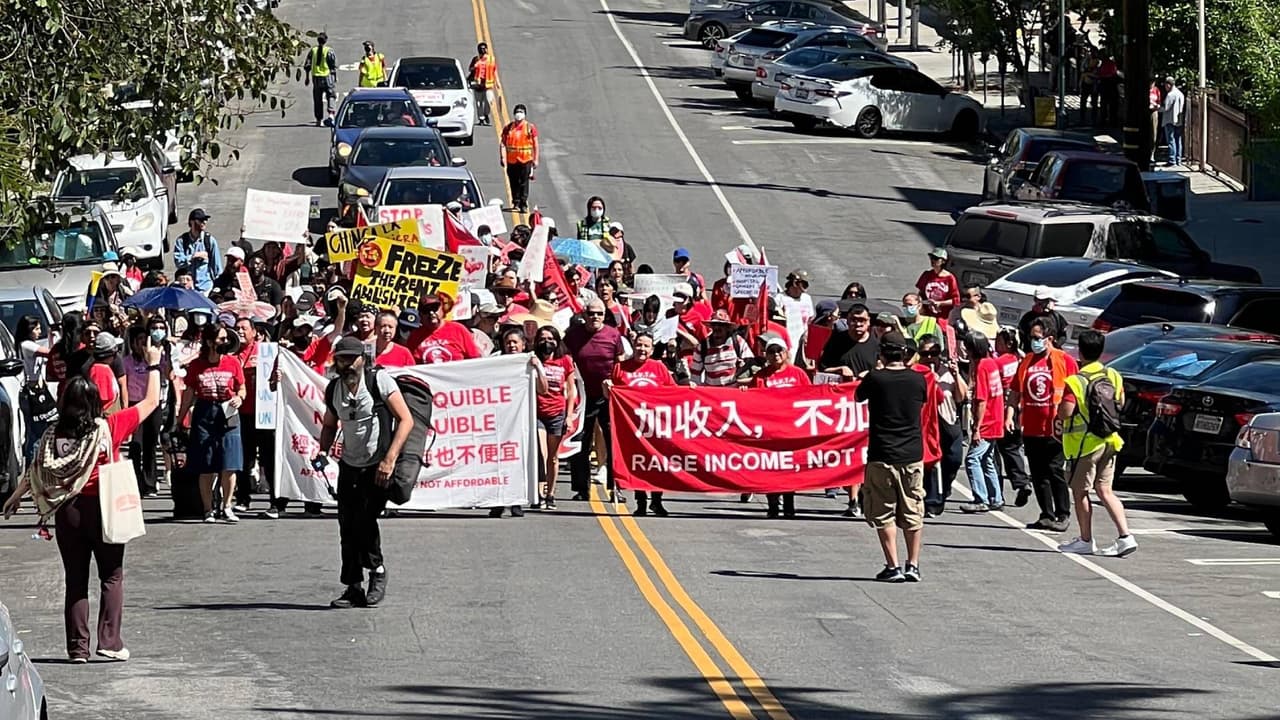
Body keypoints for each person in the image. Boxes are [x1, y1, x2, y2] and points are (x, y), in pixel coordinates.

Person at [3, 341, 164, 663]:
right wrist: (155, 364)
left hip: (67, 511)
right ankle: (110, 641)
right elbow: (151, 401)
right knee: (112, 575)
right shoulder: (108, 428)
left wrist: (16, 496)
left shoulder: (52, 434)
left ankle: (77, 648)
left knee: (75, 580)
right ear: (95, 402)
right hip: (104, 508)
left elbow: (36, 469)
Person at [317, 336, 415, 608]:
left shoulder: (378, 381)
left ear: (363, 359)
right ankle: (353, 586)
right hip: (350, 464)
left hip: (378, 464)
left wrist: (390, 459)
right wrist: (323, 451)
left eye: (352, 358)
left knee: (364, 520)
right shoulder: (334, 388)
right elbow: (329, 424)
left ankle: (378, 571)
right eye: (341, 358)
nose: (347, 364)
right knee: (347, 525)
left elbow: (406, 420)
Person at [1056, 330, 1137, 557]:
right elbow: (1119, 401)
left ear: (1080, 352)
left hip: (1085, 445)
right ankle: (1125, 536)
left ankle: (1085, 539)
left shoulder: (1076, 381)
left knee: (1080, 491)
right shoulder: (1113, 375)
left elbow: (1066, 412)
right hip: (1110, 440)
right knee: (1105, 490)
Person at [855, 332, 928, 583]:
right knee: (913, 509)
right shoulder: (918, 380)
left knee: (884, 511)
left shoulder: (875, 378)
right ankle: (913, 564)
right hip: (911, 453)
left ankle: (893, 565)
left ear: (882, 353)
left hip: (882, 452)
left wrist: (875, 370)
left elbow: (858, 396)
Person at [1007, 318, 1078, 531]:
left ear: (1050, 338)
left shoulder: (1064, 361)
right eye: (1031, 337)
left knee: (1055, 470)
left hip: (1055, 428)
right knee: (1038, 473)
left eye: (1037, 338)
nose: (1033, 341)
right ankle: (1046, 514)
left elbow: (1075, 392)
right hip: (1031, 426)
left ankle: (1062, 513)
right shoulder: (1027, 361)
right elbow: (1015, 391)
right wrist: (1009, 414)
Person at [177, 323, 246, 524]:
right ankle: (208, 509)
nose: (225, 342)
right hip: (205, 413)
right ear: (209, 341)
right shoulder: (197, 365)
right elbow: (189, 393)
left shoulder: (233, 362)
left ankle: (227, 506)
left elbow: (241, 388)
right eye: (221, 339)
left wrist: (239, 398)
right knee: (205, 464)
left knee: (230, 463)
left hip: (228, 413)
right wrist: (179, 419)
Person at [565, 299, 626, 503]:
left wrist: (616, 384)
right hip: (583, 396)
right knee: (581, 441)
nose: (595, 317)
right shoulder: (573, 334)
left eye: (599, 314)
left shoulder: (613, 334)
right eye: (591, 313)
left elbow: (620, 362)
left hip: (608, 396)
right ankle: (582, 488)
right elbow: (564, 358)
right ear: (584, 314)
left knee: (613, 442)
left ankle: (615, 487)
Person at [610, 333, 674, 517]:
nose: (642, 349)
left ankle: (656, 500)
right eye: (639, 345)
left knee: (656, 464)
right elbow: (613, 396)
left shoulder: (659, 368)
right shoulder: (620, 368)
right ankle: (641, 502)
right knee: (637, 464)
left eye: (646, 346)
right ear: (633, 346)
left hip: (655, 425)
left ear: (652, 350)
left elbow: (673, 393)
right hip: (631, 427)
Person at [751, 333, 810, 518]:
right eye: (771, 351)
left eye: (779, 351)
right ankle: (773, 506)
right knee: (771, 469)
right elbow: (753, 401)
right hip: (770, 430)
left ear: (786, 353)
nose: (775, 354)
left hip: (792, 429)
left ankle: (789, 506)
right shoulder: (761, 376)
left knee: (789, 469)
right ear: (766, 355)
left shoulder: (797, 373)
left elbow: (811, 395)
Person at [960, 332, 1005, 513]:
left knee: (972, 459)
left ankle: (981, 498)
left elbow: (981, 400)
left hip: (987, 420)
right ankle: (996, 497)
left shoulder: (982, 368)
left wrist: (976, 427)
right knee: (986, 459)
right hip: (996, 418)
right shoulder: (991, 363)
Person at [533, 326, 576, 509]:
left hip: (557, 413)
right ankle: (538, 492)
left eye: (550, 338)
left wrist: (569, 415)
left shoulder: (565, 361)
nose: (546, 342)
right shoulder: (532, 359)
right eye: (542, 338)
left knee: (553, 457)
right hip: (537, 412)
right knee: (540, 454)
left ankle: (550, 493)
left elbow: (571, 390)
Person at [121, 326, 167, 497]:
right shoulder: (126, 362)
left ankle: (150, 483)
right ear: (132, 343)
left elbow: (168, 375)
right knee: (135, 445)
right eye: (139, 340)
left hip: (153, 405)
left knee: (150, 446)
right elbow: (123, 385)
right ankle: (135, 481)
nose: (142, 344)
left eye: (144, 340)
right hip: (135, 405)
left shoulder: (156, 358)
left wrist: (164, 355)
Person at [994, 327, 1032, 506]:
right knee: (1013, 448)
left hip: (1003, 408)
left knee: (998, 451)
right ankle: (1020, 482)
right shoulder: (1022, 360)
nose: (996, 344)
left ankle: (998, 491)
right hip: (1022, 409)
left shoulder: (999, 362)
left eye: (999, 341)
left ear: (1008, 343)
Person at [406, 292, 482, 364]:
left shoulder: (458, 329)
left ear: (442, 309)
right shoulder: (415, 336)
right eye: (426, 310)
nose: (431, 313)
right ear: (420, 315)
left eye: (435, 308)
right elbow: (412, 365)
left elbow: (474, 360)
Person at [690, 310, 752, 386]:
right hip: (711, 394)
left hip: (734, 393)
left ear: (727, 328)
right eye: (714, 325)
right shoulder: (702, 347)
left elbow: (750, 364)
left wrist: (744, 383)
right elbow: (695, 376)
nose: (717, 328)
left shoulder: (738, 342)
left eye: (720, 325)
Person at [819, 302, 879, 380]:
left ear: (868, 321)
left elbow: (884, 370)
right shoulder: (836, 341)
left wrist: (870, 373)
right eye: (854, 320)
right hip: (842, 389)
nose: (858, 324)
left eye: (862, 320)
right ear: (847, 321)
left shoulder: (877, 344)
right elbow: (823, 369)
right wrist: (840, 369)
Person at [499, 104, 538, 212]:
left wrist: (535, 159)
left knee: (524, 182)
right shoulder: (508, 128)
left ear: (525, 114)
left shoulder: (530, 128)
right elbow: (503, 143)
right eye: (517, 112)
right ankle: (516, 202)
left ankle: (523, 203)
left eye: (521, 112)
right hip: (512, 160)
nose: (518, 114)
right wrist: (502, 157)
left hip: (526, 160)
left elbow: (535, 144)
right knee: (513, 182)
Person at [174, 209, 221, 293]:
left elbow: (217, 268)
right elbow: (178, 262)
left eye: (205, 220)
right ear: (192, 222)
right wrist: (192, 257)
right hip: (186, 288)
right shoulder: (182, 241)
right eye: (201, 220)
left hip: (205, 289)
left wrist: (217, 287)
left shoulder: (209, 241)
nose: (204, 222)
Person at [1017, 287, 1067, 352]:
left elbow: (1063, 335)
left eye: (1044, 301)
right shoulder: (1028, 317)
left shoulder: (1056, 317)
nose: (1041, 304)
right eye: (1038, 301)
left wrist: (1056, 345)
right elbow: (1020, 335)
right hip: (1031, 353)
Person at [915, 248, 960, 319]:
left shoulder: (950, 278)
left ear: (943, 261)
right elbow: (920, 293)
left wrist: (940, 303)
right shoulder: (926, 274)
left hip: (943, 316)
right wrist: (920, 305)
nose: (932, 260)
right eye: (931, 257)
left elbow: (956, 300)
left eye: (936, 258)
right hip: (927, 314)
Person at [304, 32, 338, 126]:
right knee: (331, 95)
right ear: (326, 40)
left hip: (316, 78)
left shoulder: (313, 50)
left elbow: (307, 65)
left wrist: (307, 77)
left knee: (317, 99)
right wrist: (335, 77)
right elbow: (333, 66)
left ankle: (319, 119)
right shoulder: (329, 51)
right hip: (327, 77)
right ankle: (331, 114)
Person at [468, 42, 498, 126]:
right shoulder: (476, 59)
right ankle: (481, 119)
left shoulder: (491, 59)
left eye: (484, 48)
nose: (483, 50)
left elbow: (494, 70)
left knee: (489, 101)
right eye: (481, 49)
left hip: (488, 84)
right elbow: (470, 69)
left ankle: (486, 114)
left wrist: (497, 82)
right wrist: (475, 66)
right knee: (479, 103)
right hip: (478, 84)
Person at [1161, 76, 1186, 167]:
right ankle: (1178, 160)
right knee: (1178, 140)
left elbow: (1166, 108)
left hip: (1169, 120)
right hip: (1178, 120)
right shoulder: (1180, 94)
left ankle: (1172, 160)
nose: (1165, 87)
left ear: (1169, 84)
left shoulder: (1170, 95)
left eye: (1165, 85)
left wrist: (1157, 108)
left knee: (1171, 140)